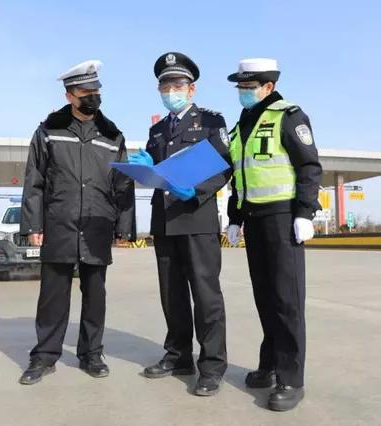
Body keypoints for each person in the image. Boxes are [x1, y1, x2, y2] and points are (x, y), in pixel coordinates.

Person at [19, 60, 136, 385]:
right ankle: (44, 356)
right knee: (52, 295)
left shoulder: (112, 136)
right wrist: (33, 226)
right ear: (69, 95)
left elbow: (123, 184)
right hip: (59, 223)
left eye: (96, 91)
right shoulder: (48, 131)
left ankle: (91, 354)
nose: (93, 97)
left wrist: (124, 226)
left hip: (98, 225)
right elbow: (34, 180)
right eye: (86, 93)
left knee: (95, 295)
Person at [130, 52, 231, 396]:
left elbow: (224, 166)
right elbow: (158, 173)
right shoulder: (157, 130)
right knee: (171, 295)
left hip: (197, 219)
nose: (171, 91)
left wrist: (197, 191)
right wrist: (145, 166)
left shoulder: (211, 122)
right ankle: (178, 355)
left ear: (191, 89)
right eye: (165, 86)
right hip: (165, 221)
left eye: (177, 85)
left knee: (206, 296)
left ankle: (212, 366)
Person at [226, 58, 322, 411]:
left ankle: (291, 379)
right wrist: (234, 217)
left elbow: (309, 166)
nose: (243, 92)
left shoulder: (289, 116)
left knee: (286, 300)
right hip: (253, 220)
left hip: (283, 219)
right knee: (265, 298)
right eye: (240, 87)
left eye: (248, 87)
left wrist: (305, 212)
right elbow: (239, 177)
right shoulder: (241, 125)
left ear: (268, 87)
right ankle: (269, 365)